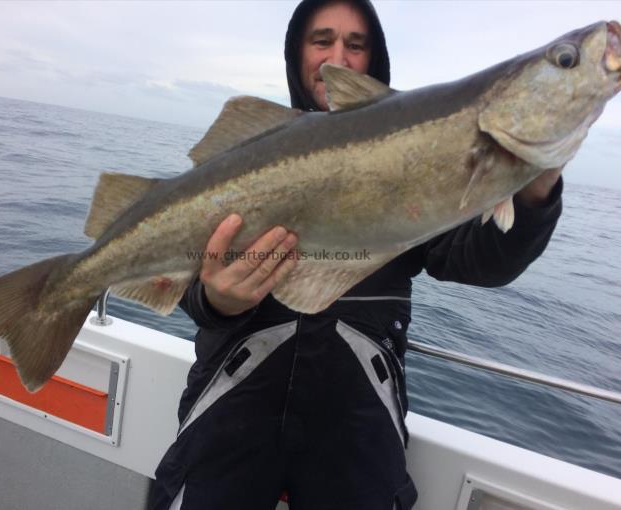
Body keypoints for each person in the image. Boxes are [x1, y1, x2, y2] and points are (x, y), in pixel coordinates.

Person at [149, 1, 563, 508]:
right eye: (321, 41)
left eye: (356, 44)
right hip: (231, 399)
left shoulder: (420, 161)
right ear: (296, 53)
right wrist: (218, 302)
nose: (337, 58)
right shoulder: (247, 158)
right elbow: (189, 278)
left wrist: (535, 189)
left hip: (358, 414)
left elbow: (480, 259)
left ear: (374, 59)